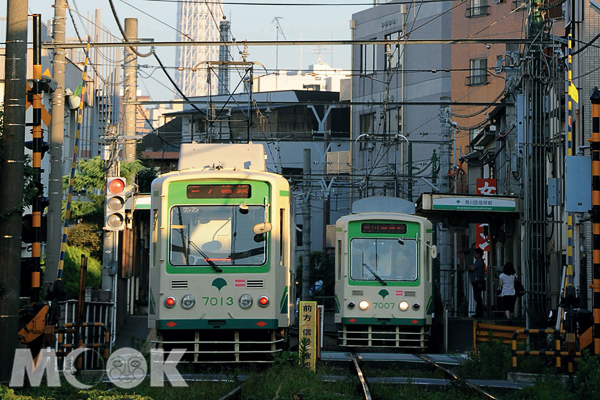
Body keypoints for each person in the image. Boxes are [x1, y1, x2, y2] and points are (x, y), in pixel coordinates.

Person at [469, 248, 485, 318]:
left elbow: (472, 268)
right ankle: (478, 312)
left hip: (477, 281)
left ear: (478, 254)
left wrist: (470, 268)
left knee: (478, 297)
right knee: (477, 297)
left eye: (475, 253)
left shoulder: (479, 261)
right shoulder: (479, 261)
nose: (474, 254)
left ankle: (479, 313)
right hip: (477, 281)